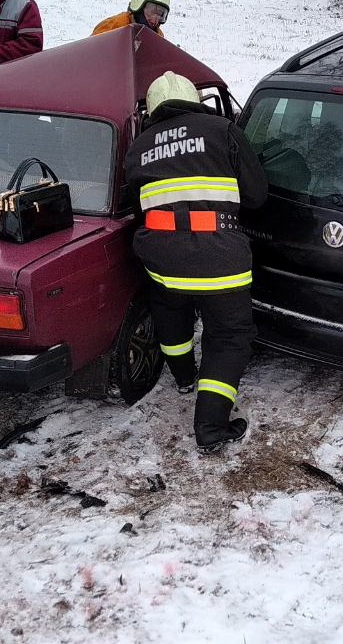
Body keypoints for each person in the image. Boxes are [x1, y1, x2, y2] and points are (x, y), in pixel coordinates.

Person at [123, 71, 267, 453]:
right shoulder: (222, 130)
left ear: (152, 109)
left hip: (161, 258)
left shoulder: (139, 146)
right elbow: (256, 196)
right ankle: (211, 427)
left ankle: (184, 377)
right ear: (195, 101)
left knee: (172, 314)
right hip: (220, 255)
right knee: (228, 337)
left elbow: (137, 203)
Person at [92, 0, 169, 37]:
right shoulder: (112, 27)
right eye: (152, 12)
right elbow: (91, 52)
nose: (155, 21)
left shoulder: (158, 36)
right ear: (138, 6)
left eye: (161, 16)